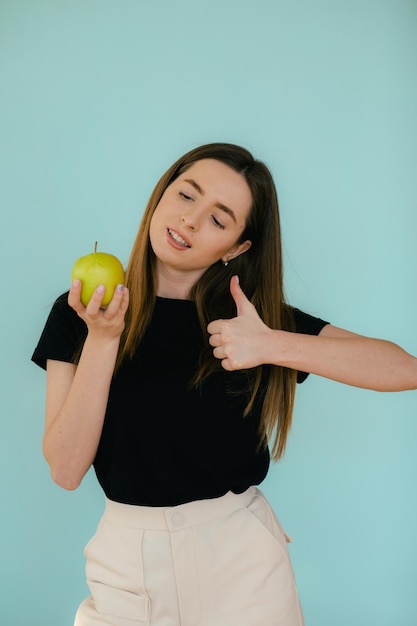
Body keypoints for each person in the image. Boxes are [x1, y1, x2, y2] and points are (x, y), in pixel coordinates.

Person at [32, 142, 417, 626]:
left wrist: (271, 345)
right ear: (161, 195)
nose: (190, 220)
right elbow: (65, 470)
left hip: (243, 566)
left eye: (219, 219)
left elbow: (404, 368)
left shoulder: (251, 322)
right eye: (186, 195)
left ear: (237, 247)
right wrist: (104, 338)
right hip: (128, 569)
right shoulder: (82, 312)